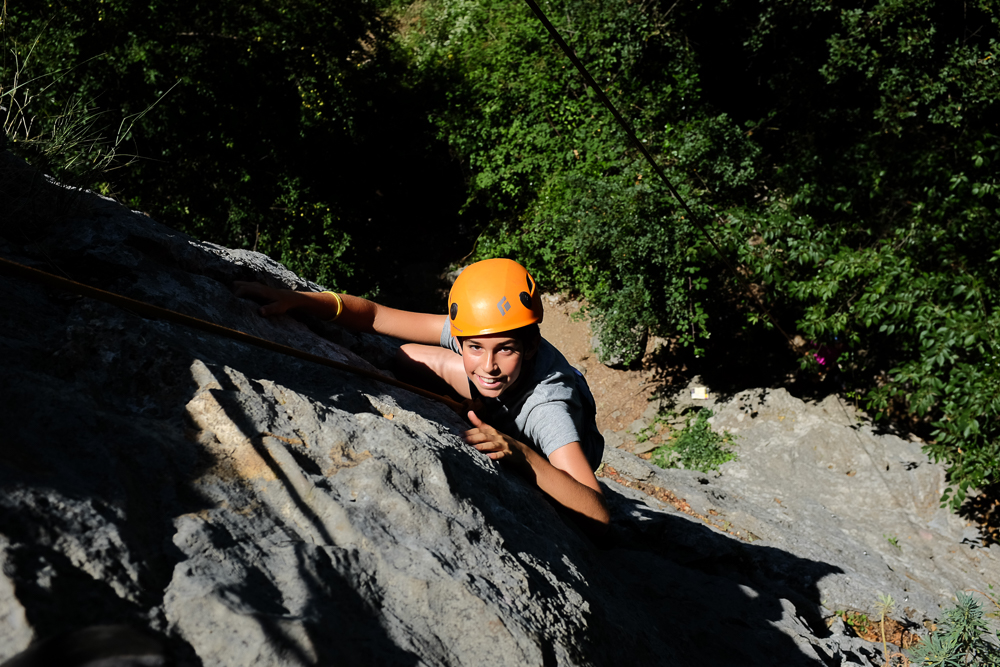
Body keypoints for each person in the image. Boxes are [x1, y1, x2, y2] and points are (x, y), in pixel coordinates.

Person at [234, 258, 609, 537]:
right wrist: (301, 301)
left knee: (473, 381)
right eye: (474, 347)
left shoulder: (548, 411)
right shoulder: (481, 331)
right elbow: (378, 316)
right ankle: (486, 406)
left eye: (505, 350)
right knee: (407, 355)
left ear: (530, 347)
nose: (489, 365)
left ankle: (500, 419)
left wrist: (521, 453)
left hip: (546, 442)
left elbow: (600, 514)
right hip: (505, 397)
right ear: (463, 338)